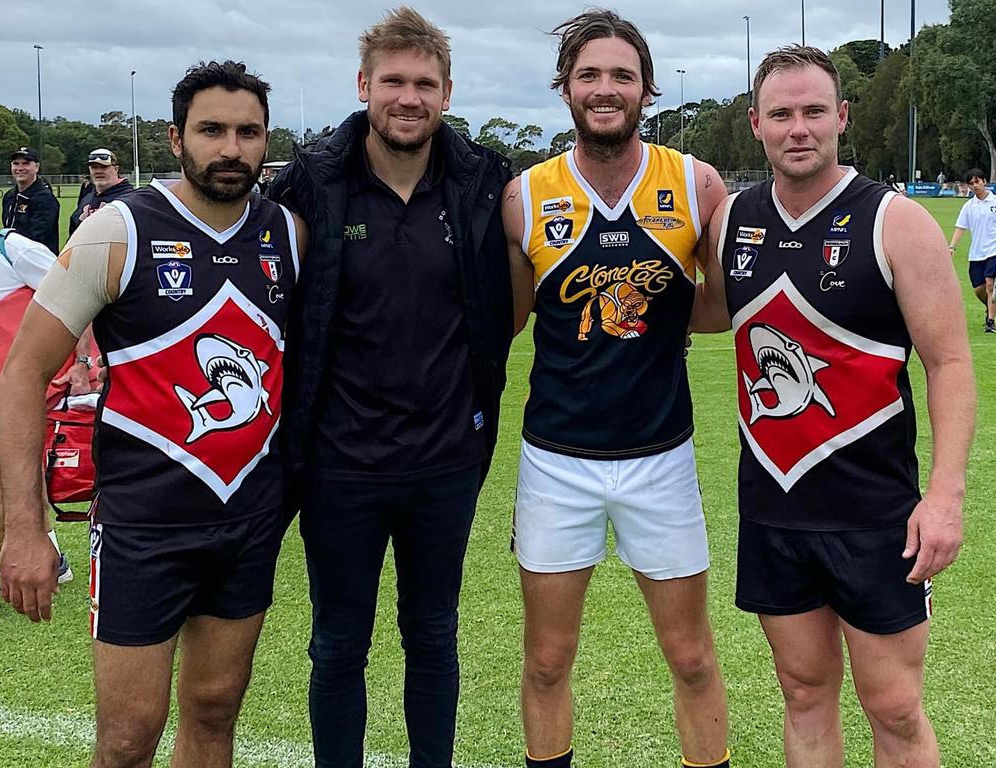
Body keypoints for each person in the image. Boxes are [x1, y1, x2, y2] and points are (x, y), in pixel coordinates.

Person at [0, 60, 306, 768]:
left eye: (247, 132)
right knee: (130, 737)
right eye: (212, 130)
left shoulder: (288, 234)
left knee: (215, 711)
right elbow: (22, 373)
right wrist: (25, 526)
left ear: (266, 140)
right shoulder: (119, 230)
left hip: (247, 519)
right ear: (176, 138)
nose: (231, 148)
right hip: (143, 525)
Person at [691, 46, 974, 767]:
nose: (798, 128)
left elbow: (948, 363)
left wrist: (944, 497)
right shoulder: (732, 220)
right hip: (774, 507)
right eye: (781, 114)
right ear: (755, 123)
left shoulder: (896, 221)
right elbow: (715, 314)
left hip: (876, 512)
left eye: (814, 111)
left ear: (842, 117)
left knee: (895, 707)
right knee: (804, 693)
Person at [266, 8, 513, 767]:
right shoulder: (311, 180)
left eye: (426, 84)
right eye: (395, 82)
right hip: (340, 463)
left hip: (445, 461)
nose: (410, 98)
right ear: (364, 85)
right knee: (339, 643)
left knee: (433, 635)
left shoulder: (482, 181)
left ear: (447, 93)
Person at [503, 10, 730, 768]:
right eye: (589, 75)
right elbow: (508, 320)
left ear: (646, 88)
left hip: (660, 458)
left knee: (693, 657)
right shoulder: (526, 195)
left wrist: (642, 313)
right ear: (565, 87)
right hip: (556, 461)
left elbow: (719, 310)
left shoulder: (696, 184)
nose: (605, 90)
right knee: (546, 660)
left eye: (621, 76)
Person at [0, 183, 75, 617]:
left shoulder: (12, 250)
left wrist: (83, 361)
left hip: (15, 389)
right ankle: (54, 555)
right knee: (18, 475)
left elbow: (73, 294)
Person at [948, 168, 996, 332]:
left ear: (984, 182)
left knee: (990, 285)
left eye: (977, 182)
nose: (975, 186)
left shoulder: (994, 202)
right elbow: (960, 227)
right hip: (976, 253)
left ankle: (990, 321)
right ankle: (990, 309)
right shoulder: (969, 206)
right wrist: (952, 246)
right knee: (979, 289)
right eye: (971, 183)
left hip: (993, 251)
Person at [2, 147, 60, 254]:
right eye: (16, 163)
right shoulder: (9, 196)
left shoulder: (45, 198)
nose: (20, 168)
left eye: (25, 163)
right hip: (12, 260)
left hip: (38, 262)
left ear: (37, 167)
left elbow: (37, 238)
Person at [68, 148, 135, 238]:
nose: (98, 171)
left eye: (104, 167)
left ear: (116, 169)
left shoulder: (131, 198)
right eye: (94, 167)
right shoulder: (87, 199)